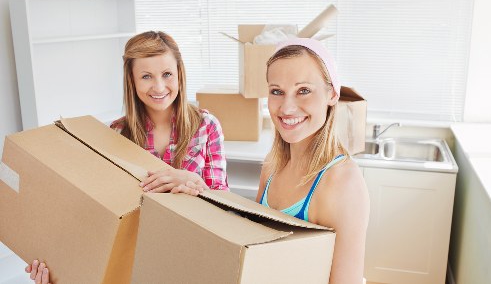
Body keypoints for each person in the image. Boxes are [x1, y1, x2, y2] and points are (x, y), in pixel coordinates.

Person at [25, 31, 229, 283]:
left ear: (179, 74)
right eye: (146, 76)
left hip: (193, 256)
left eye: (167, 74)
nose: (158, 87)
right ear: (131, 81)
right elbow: (100, 214)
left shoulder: (206, 126)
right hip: (136, 261)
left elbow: (226, 207)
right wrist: (60, 268)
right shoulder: (116, 134)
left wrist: (196, 184)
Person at [256, 38, 369, 284]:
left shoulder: (341, 182)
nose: (287, 107)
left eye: (303, 90)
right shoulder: (272, 165)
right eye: (277, 91)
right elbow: (254, 247)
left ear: (332, 94)